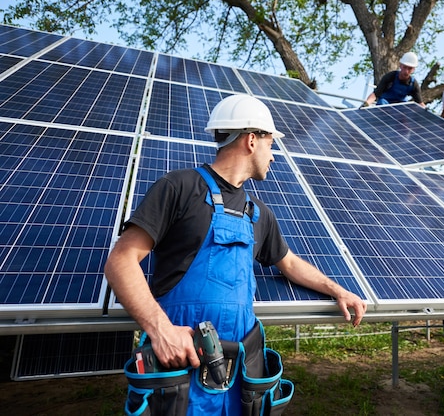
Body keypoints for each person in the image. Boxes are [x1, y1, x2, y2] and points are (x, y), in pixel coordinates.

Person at [104, 94, 367, 415]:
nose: (274, 156)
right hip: (181, 373)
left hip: (240, 380)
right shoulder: (180, 188)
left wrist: (337, 290)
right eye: (272, 144)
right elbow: (121, 260)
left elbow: (290, 263)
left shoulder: (258, 213)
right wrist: (160, 330)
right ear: (252, 140)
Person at [362, 52, 426, 107]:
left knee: (408, 110)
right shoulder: (390, 77)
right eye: (405, 67)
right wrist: (366, 104)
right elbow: (375, 94)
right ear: (400, 65)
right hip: (385, 104)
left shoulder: (413, 84)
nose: (406, 71)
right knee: (382, 103)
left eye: (409, 68)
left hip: (401, 108)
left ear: (413, 69)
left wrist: (427, 112)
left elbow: (420, 103)